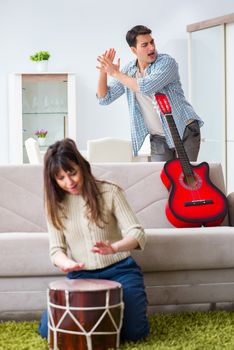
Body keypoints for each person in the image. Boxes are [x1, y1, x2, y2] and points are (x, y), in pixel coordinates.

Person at [38, 138, 149, 342]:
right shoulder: (53, 205)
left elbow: (137, 232)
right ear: (53, 180)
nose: (69, 182)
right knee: (48, 331)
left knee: (134, 334)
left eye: (72, 172)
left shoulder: (110, 191)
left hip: (120, 270)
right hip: (81, 275)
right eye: (61, 178)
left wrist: (114, 248)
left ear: (82, 166)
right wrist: (68, 263)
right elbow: (56, 250)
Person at [96, 25, 204, 162]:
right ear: (134, 50)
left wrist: (116, 73)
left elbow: (146, 86)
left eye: (152, 42)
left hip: (183, 130)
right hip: (158, 137)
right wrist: (104, 72)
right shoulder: (129, 70)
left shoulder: (166, 63)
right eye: (145, 45)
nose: (151, 48)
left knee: (185, 180)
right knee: (160, 180)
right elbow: (104, 98)